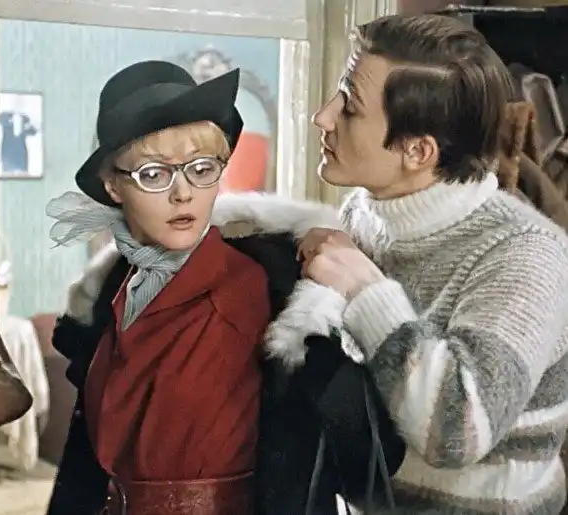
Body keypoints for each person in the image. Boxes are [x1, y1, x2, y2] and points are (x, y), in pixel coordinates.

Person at [231, 13, 568, 515]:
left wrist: (365, 289)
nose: (323, 117)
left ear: (417, 150)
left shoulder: (526, 256)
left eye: (349, 107)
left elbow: (454, 434)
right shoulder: (366, 213)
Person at [44, 60, 405, 515]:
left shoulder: (263, 294)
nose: (183, 194)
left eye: (201, 169)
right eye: (153, 174)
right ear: (113, 186)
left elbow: (368, 460)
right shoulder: (111, 291)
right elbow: (88, 465)